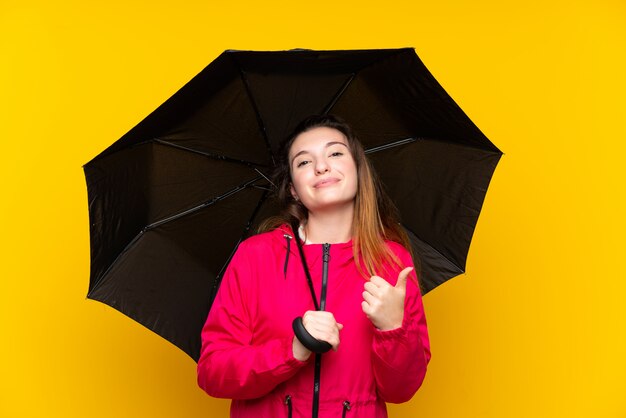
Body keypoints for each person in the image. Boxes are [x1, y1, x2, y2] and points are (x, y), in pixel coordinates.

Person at [197, 115, 431, 418]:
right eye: (304, 162)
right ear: (293, 189)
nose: (321, 166)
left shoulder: (392, 262)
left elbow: (402, 391)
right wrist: (293, 350)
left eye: (335, 153)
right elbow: (213, 373)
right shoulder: (255, 255)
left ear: (359, 171)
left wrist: (393, 328)